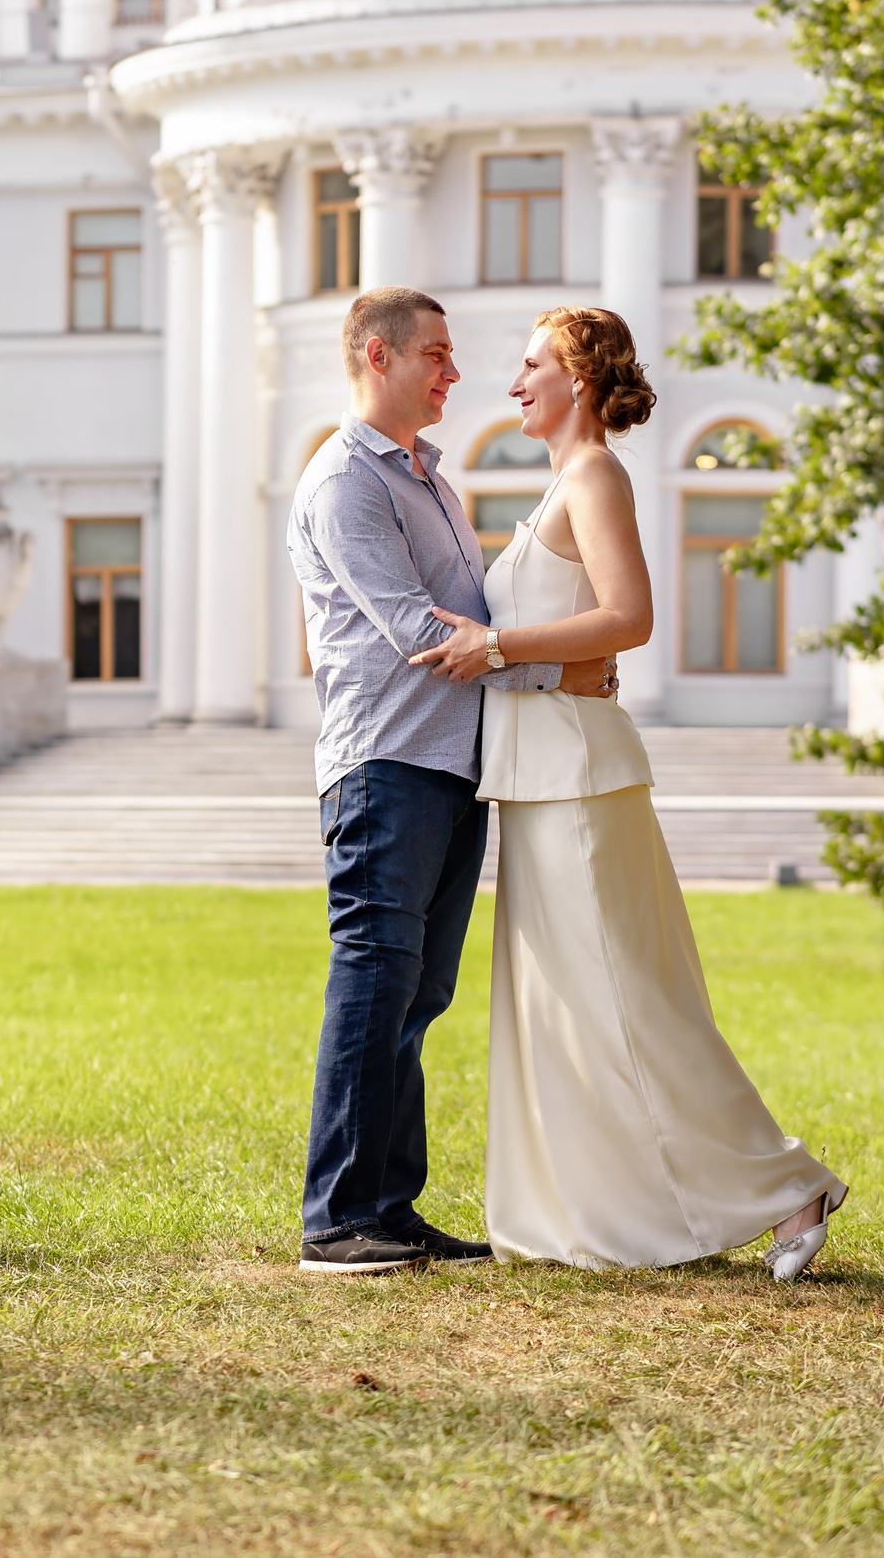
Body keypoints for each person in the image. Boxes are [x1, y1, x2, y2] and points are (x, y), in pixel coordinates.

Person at [411, 306, 847, 1281]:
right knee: (567, 1010)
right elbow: (568, 637)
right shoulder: (562, 485)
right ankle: (605, 1218)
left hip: (578, 777)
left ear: (576, 374)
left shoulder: (595, 474)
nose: (513, 384)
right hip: (537, 777)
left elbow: (630, 617)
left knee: (629, 1003)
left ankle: (792, 1188)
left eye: (530, 366)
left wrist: (501, 645)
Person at [284, 287, 617, 1275]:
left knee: (417, 994)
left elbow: (473, 620)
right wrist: (556, 665)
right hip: (383, 764)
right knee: (373, 978)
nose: (454, 373)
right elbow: (417, 631)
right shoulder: (345, 480)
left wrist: (530, 654)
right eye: (434, 352)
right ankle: (337, 1220)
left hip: (447, 767)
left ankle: (390, 1207)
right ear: (377, 358)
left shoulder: (428, 478)